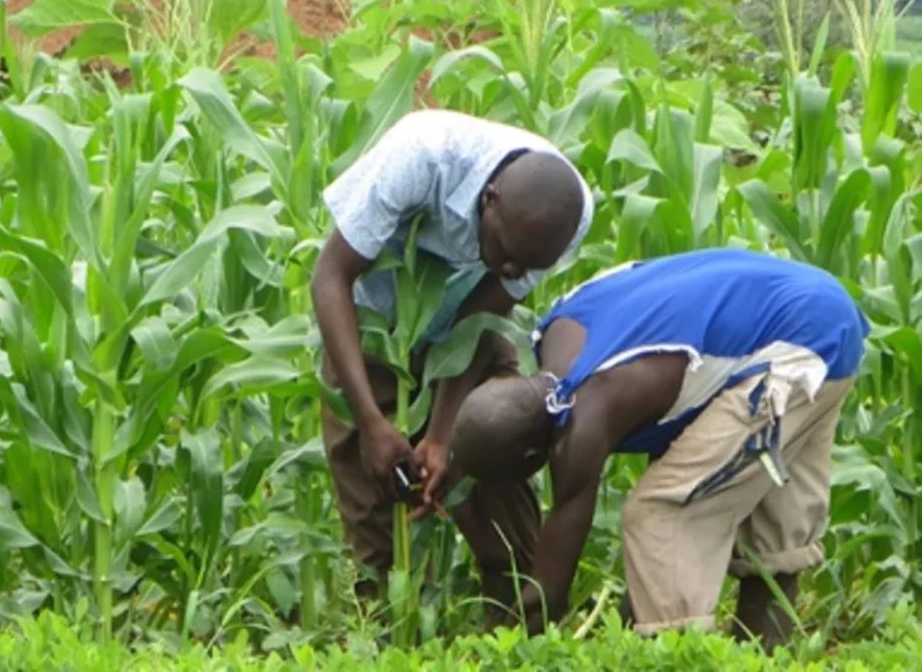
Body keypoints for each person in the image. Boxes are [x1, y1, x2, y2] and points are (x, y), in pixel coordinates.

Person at [446, 247, 870, 650]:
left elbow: (552, 584)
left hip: (795, 352)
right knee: (765, 501)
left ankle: (674, 654)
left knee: (661, 512)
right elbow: (676, 410)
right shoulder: (558, 330)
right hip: (813, 308)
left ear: (531, 457)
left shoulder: (586, 418)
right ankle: (766, 655)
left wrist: (520, 643)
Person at [309, 108, 594, 627]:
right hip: (373, 321)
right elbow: (330, 277)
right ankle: (378, 636)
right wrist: (373, 422)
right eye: (506, 253)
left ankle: (516, 637)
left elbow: (480, 316)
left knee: (495, 444)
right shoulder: (419, 158)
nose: (512, 271)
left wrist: (443, 434)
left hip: (469, 333)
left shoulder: (565, 215)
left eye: (525, 267)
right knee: (371, 493)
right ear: (490, 202)